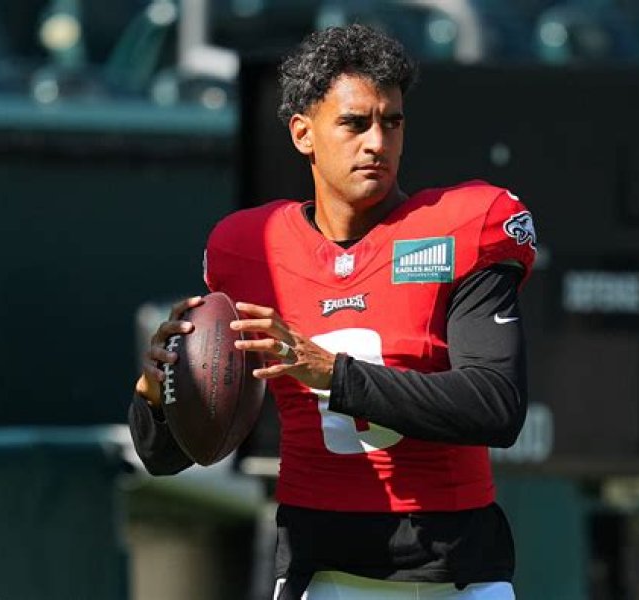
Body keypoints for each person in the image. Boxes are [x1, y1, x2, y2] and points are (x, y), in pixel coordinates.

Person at [129, 23, 537, 600]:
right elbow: (165, 457)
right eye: (355, 123)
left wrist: (333, 374)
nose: (377, 142)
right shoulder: (249, 250)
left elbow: (497, 405)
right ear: (304, 133)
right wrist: (159, 392)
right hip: (318, 571)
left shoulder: (461, 228)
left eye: (391, 122)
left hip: (452, 572)